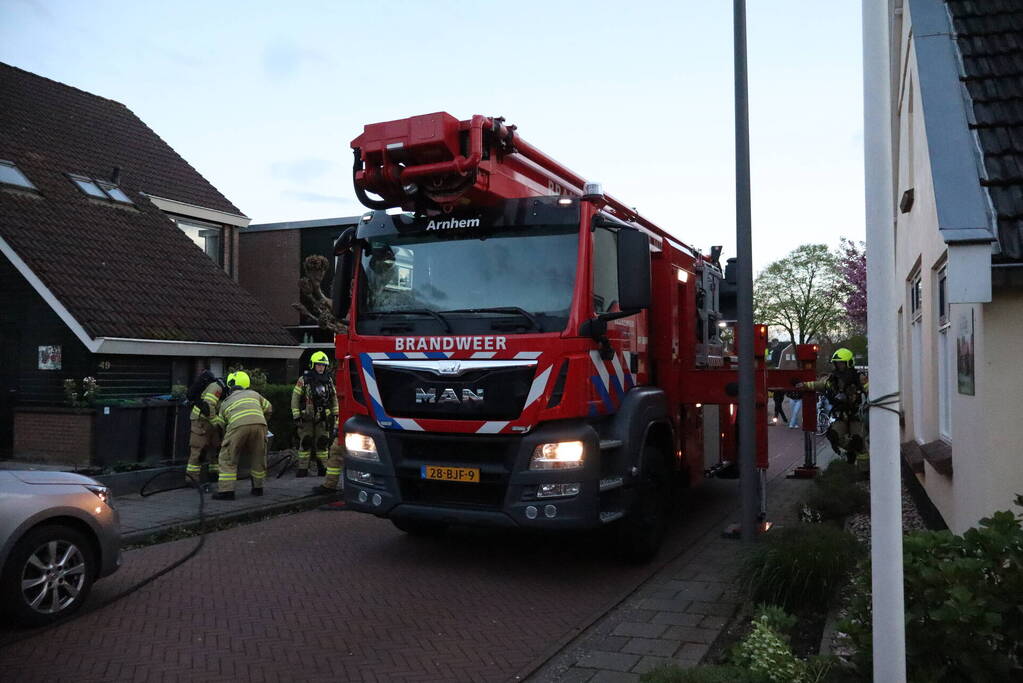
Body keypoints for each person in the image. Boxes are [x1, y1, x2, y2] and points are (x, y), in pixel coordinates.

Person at [797, 348, 868, 465]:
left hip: (856, 415)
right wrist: (803, 385)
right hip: (840, 415)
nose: (839, 366)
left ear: (849, 363)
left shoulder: (859, 378)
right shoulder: (832, 379)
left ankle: (864, 471)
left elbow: (871, 389)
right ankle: (850, 452)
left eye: (841, 363)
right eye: (837, 363)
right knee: (833, 436)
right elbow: (819, 384)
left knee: (858, 442)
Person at [211, 371, 272, 500]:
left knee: (227, 457)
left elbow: (220, 425)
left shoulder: (226, 402)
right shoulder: (255, 394)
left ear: (231, 388)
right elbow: (269, 408)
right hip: (260, 425)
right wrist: (262, 422)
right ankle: (258, 488)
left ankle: (227, 491)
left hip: (237, 427)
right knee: (258, 456)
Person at [291, 351, 339, 478]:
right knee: (305, 441)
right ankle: (303, 469)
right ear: (313, 365)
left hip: (322, 417)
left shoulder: (328, 380)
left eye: (323, 365)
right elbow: (295, 398)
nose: (321, 368)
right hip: (306, 417)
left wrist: (335, 414)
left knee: (322, 442)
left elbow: (334, 398)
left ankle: (323, 468)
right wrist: (296, 415)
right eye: (318, 365)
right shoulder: (304, 380)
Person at [185, 369, 228, 483]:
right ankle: (192, 479)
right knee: (198, 450)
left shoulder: (225, 390)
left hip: (211, 421)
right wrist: (216, 423)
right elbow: (207, 406)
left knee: (216, 448)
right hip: (200, 421)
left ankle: (214, 475)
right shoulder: (217, 388)